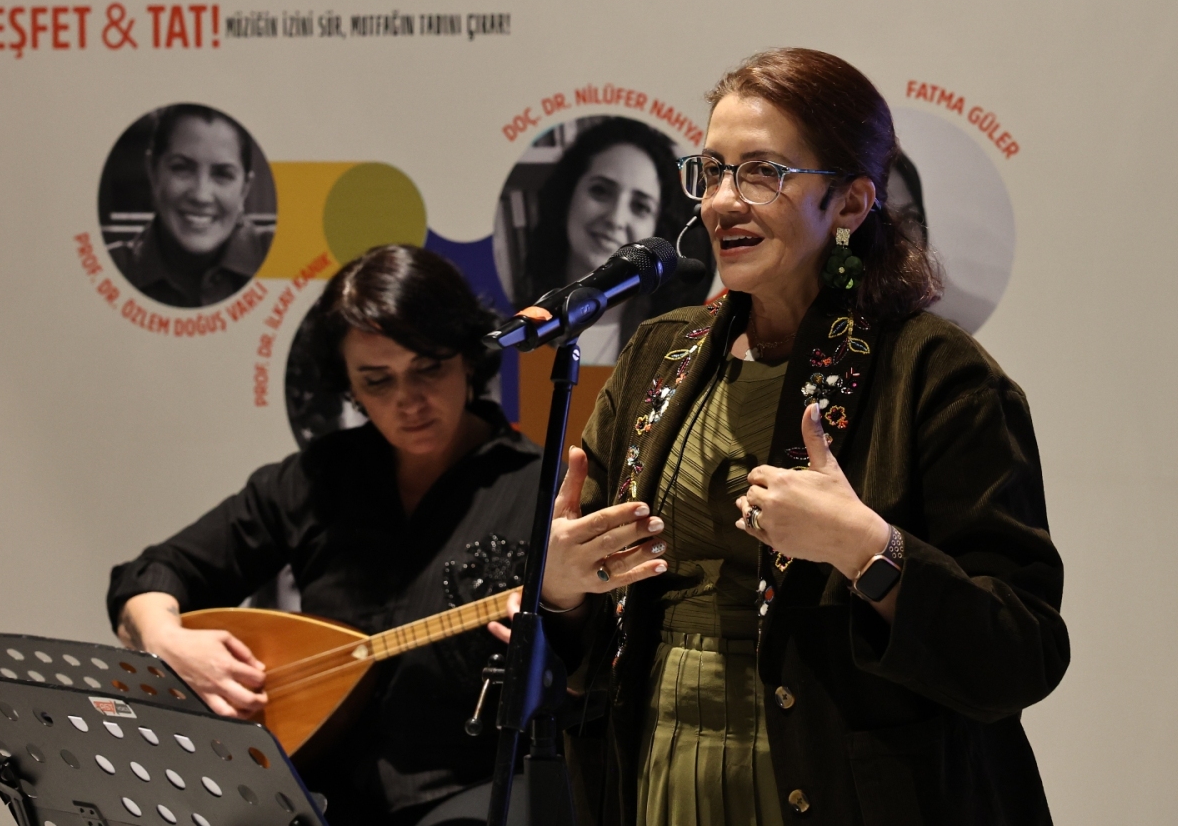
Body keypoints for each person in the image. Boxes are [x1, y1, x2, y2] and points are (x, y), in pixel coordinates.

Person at [514, 47, 1069, 826]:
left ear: (850, 203)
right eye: (712, 171)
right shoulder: (658, 353)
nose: (721, 202)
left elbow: (1020, 651)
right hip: (654, 773)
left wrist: (870, 550)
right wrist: (561, 586)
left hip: (845, 789)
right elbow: (578, 636)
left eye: (763, 174)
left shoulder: (938, 373)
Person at [107, 244, 541, 826]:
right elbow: (154, 574)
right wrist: (166, 641)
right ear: (350, 387)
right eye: (377, 381)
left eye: (428, 368)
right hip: (314, 797)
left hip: (477, 797)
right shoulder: (319, 479)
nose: (408, 402)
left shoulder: (536, 490)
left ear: (467, 357)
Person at [514, 117, 706, 364]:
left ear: (659, 229)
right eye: (600, 191)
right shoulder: (515, 323)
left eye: (640, 206)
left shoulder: (674, 343)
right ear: (567, 195)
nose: (616, 219)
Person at [110, 103, 273, 307]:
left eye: (222, 174)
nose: (201, 195)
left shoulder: (288, 261)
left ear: (244, 189)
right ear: (153, 172)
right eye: (181, 168)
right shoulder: (110, 272)